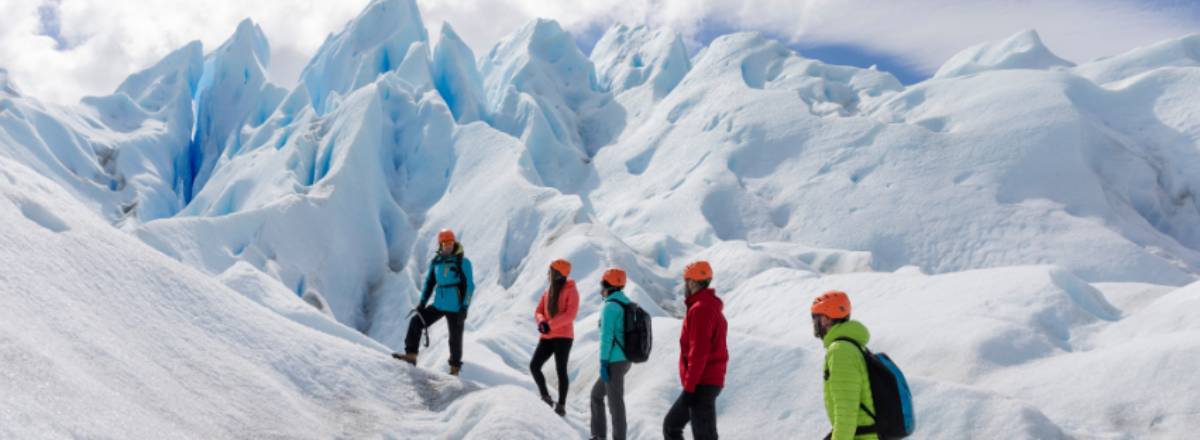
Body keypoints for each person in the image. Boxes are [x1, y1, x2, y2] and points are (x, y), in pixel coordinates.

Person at [393, 229, 475, 376]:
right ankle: (411, 355)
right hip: (439, 304)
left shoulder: (463, 262)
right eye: (445, 243)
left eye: (450, 242)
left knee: (455, 338)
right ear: (440, 244)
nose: (448, 245)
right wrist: (422, 303)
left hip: (456, 307)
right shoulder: (436, 262)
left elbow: (470, 286)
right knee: (416, 321)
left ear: (454, 242)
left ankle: (454, 369)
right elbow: (430, 283)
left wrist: (465, 307)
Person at [663, 261, 728, 440]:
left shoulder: (701, 309)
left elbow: (699, 352)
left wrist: (690, 388)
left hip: (702, 383)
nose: (685, 285)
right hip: (704, 382)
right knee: (672, 425)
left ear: (693, 282)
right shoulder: (707, 307)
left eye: (686, 281)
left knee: (697, 433)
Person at [811, 291, 878, 440]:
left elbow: (846, 411)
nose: (814, 324)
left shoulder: (841, 351)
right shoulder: (853, 346)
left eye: (815, 317)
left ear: (826, 319)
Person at [530, 259, 580, 417]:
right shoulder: (548, 291)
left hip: (563, 336)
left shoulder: (571, 290)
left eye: (551, 271)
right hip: (548, 335)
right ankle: (545, 397)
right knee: (534, 366)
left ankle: (561, 405)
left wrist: (549, 325)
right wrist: (542, 321)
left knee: (561, 370)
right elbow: (538, 311)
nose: (549, 274)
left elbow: (570, 315)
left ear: (558, 274)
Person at [590, 268, 632, 440]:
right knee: (596, 394)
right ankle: (598, 436)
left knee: (616, 405)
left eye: (603, 284)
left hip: (613, 361)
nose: (601, 289)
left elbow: (606, 338)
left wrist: (603, 362)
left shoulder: (610, 307)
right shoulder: (626, 302)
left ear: (609, 286)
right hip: (625, 359)